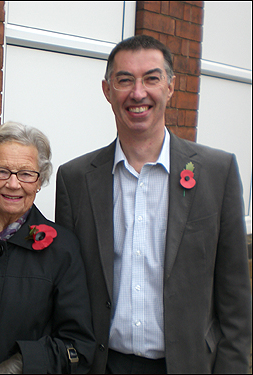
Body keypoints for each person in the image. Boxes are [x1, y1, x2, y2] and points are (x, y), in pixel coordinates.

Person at [55, 34, 252, 374]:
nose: (138, 93)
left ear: (171, 87)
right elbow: (67, 291)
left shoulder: (216, 173)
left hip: (189, 365)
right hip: (103, 365)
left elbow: (235, 299)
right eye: (124, 80)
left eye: (151, 78)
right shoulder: (74, 180)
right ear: (107, 90)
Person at [0, 122, 96, 374]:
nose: (13, 184)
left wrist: (21, 365)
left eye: (25, 173)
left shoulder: (62, 249)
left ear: (39, 181)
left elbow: (78, 344)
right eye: (1, 171)